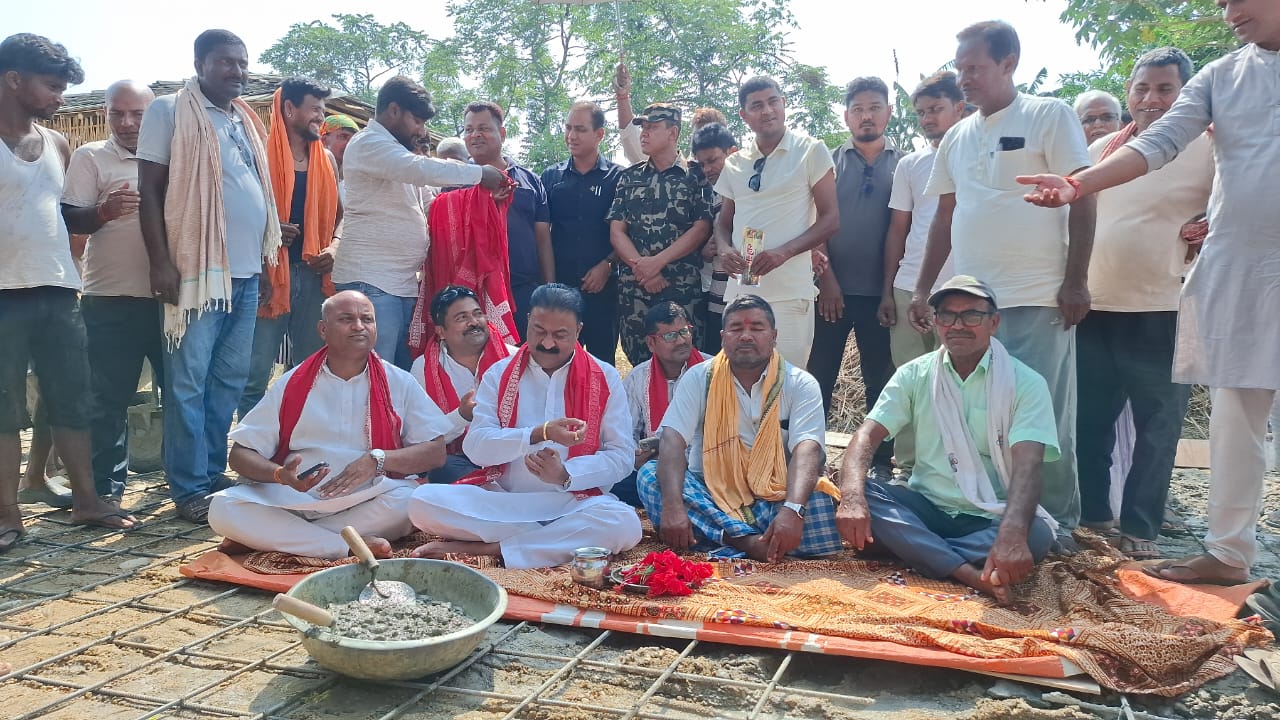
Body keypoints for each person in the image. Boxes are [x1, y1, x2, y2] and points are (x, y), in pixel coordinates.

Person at [1017, 0, 1280, 585]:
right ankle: (1228, 553)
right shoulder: (1222, 76)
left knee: (1164, 423)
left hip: (1168, 302)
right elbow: (1158, 143)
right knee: (1236, 417)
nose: (1228, 12)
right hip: (1241, 274)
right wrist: (1078, 184)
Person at [910, 21, 1095, 536]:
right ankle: (990, 517)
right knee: (979, 414)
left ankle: (1054, 527)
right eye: (960, 68)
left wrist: (1075, 281)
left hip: (1037, 294)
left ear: (1009, 62)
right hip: (971, 305)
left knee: (1042, 417)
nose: (965, 78)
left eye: (975, 67)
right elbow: (945, 215)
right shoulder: (956, 137)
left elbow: (1083, 196)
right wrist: (925, 289)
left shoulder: (1048, 115)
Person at [836, 276, 1058, 605]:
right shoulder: (915, 373)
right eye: (947, 315)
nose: (958, 325)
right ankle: (968, 572)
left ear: (994, 322)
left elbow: (1028, 465)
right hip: (926, 506)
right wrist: (852, 499)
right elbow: (867, 435)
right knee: (856, 493)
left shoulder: (1026, 383)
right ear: (936, 322)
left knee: (1035, 535)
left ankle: (915, 549)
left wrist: (1012, 533)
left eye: (971, 315)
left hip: (990, 514)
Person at [1073, 48, 1212, 560]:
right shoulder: (1104, 150)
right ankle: (1093, 518)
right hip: (1096, 305)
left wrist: (1209, 225)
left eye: (1165, 89)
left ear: (1186, 95)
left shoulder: (1210, 145)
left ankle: (1140, 528)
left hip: (1167, 306)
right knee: (1090, 421)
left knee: (1158, 426)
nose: (1152, 99)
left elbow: (1237, 208)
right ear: (1128, 93)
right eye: (1142, 88)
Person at [137, 29, 280, 524]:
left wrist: (262, 265)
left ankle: (211, 471)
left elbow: (254, 193)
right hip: (196, 274)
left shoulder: (244, 118)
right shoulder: (169, 111)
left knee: (228, 382)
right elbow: (149, 191)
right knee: (188, 384)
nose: (237, 71)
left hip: (244, 275)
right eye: (225, 62)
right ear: (199, 64)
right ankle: (188, 487)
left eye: (242, 62)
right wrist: (160, 261)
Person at [1, 33, 138, 550]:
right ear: (14, 80)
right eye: (52, 86)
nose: (60, 98)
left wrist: (100, 213)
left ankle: (87, 500)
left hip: (59, 290)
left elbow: (65, 218)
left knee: (72, 399)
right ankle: (7, 513)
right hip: (3, 294)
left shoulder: (57, 144)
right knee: (4, 408)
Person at [407, 284, 640, 569]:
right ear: (528, 321)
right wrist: (536, 434)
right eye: (539, 331)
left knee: (624, 523)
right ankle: (554, 541)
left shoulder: (605, 377)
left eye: (560, 335)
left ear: (578, 331)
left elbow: (621, 456)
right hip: (504, 501)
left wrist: (566, 475)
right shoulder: (499, 374)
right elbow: (476, 447)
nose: (548, 343)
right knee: (421, 501)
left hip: (571, 502)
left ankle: (494, 548)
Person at [209, 291, 452, 559]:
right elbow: (240, 455)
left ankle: (276, 538)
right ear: (323, 330)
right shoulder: (292, 382)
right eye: (346, 319)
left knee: (413, 502)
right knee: (222, 507)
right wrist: (280, 475)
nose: (358, 326)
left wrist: (377, 459)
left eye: (367, 319)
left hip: (366, 497)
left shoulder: (399, 381)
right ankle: (343, 545)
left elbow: (436, 451)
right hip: (295, 500)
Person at [638, 295, 841, 561]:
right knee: (650, 477)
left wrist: (792, 510)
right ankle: (750, 543)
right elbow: (672, 440)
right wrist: (674, 506)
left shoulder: (800, 383)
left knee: (818, 501)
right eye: (736, 328)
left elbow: (808, 449)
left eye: (756, 328)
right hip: (710, 492)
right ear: (723, 337)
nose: (746, 336)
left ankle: (719, 538)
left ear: (774, 336)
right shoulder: (699, 377)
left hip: (776, 496)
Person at [330, 77, 507, 369]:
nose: (421, 131)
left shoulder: (397, 153)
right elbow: (418, 169)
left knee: (401, 375)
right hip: (371, 281)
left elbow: (433, 206)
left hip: (402, 284)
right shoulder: (368, 144)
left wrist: (480, 200)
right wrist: (479, 175)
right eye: (417, 121)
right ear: (394, 110)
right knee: (374, 372)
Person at [60, 79, 162, 501]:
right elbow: (69, 217)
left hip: (172, 301)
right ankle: (106, 491)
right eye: (117, 113)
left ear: (155, 115)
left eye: (138, 114)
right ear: (105, 114)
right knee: (108, 400)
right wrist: (103, 211)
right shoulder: (91, 156)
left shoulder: (174, 156)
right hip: (109, 299)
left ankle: (187, 483)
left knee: (183, 396)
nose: (127, 123)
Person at [875, 71, 966, 475]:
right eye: (922, 112)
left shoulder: (976, 156)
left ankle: (959, 470)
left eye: (936, 109)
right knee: (911, 381)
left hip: (962, 290)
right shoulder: (911, 165)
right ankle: (909, 468)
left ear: (959, 108)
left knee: (962, 383)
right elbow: (898, 230)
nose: (928, 119)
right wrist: (887, 290)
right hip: (908, 288)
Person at [714, 76, 839, 369]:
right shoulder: (735, 163)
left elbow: (831, 219)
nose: (767, 111)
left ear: (784, 104)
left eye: (773, 102)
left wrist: (784, 252)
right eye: (757, 105)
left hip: (790, 294)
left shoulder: (811, 151)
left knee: (787, 380)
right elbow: (722, 223)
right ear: (744, 116)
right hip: (742, 291)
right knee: (741, 377)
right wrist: (724, 250)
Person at [810, 76, 900, 480]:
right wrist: (828, 281)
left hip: (881, 295)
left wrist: (888, 292)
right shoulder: (827, 163)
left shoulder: (905, 164)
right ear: (846, 116)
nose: (867, 116)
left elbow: (904, 230)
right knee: (818, 377)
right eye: (858, 109)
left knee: (880, 379)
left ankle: (879, 465)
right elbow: (815, 221)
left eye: (874, 108)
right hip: (830, 292)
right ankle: (810, 458)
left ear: (889, 112)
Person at [238, 77, 343, 420]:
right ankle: (252, 444)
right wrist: (267, 230)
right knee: (254, 374)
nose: (320, 118)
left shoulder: (326, 160)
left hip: (313, 278)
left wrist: (335, 247)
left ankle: (300, 439)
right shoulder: (256, 156)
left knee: (310, 370)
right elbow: (236, 213)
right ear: (288, 109)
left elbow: (342, 216)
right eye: (314, 110)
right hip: (267, 276)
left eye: (322, 111)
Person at [608, 103, 713, 365]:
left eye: (652, 127)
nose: (644, 133)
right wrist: (643, 269)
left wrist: (657, 263)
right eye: (643, 127)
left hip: (681, 288)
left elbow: (701, 228)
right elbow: (617, 231)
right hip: (635, 291)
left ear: (673, 133)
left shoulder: (696, 175)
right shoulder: (629, 177)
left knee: (686, 362)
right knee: (641, 363)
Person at [461, 101, 554, 340]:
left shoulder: (529, 181)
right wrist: (480, 201)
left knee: (526, 356)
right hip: (472, 295)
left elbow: (543, 240)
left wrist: (549, 291)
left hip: (522, 291)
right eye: (469, 129)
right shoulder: (455, 180)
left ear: (502, 133)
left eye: (484, 128)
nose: (475, 135)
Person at [540, 101, 621, 362]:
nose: (571, 136)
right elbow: (541, 234)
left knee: (601, 364)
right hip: (560, 291)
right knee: (557, 361)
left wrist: (608, 264)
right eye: (568, 128)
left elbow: (629, 233)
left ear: (599, 134)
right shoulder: (550, 177)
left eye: (580, 129)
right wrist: (550, 286)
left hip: (604, 292)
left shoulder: (619, 178)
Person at [410, 285, 515, 484]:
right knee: (444, 467)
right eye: (462, 318)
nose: (474, 322)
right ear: (441, 331)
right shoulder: (423, 368)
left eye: (477, 314)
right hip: (460, 459)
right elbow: (419, 437)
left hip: (509, 453)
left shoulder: (513, 359)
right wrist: (461, 416)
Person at [618, 302, 706, 507]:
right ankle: (689, 501)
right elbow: (625, 433)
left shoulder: (712, 371)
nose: (681, 340)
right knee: (612, 481)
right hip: (655, 468)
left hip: (704, 467)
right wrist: (635, 458)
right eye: (670, 336)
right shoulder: (637, 378)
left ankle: (678, 500)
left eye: (684, 331)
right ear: (651, 343)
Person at [689, 123, 738, 354]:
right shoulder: (711, 194)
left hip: (748, 294)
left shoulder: (753, 189)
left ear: (732, 152)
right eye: (702, 164)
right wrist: (706, 252)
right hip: (718, 298)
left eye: (712, 160)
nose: (707, 169)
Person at [318, 113, 357, 200]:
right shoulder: (309, 172)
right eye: (344, 137)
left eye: (353, 140)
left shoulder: (351, 187)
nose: (349, 144)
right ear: (324, 140)